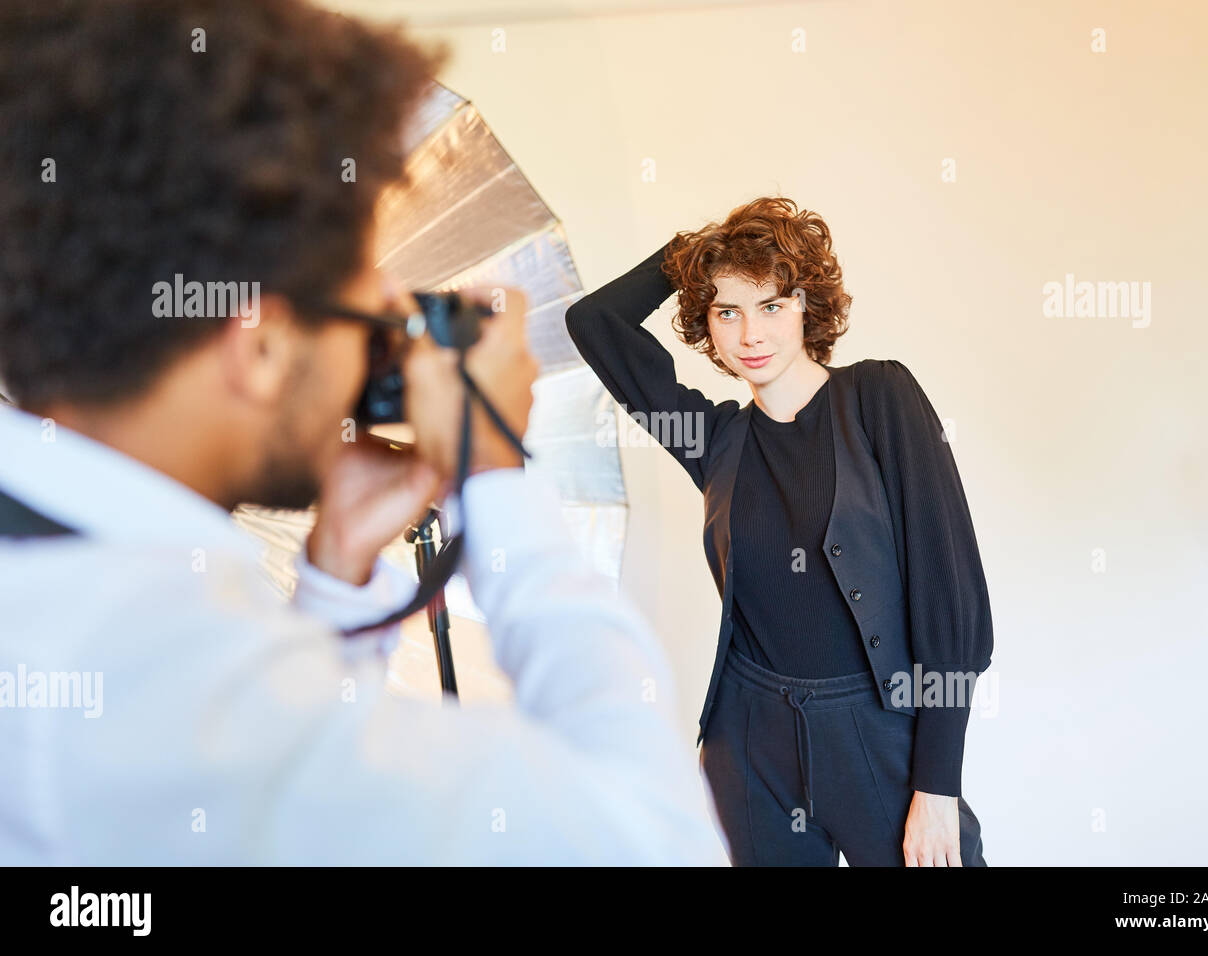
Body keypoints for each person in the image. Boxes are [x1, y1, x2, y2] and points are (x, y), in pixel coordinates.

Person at [0, 0, 721, 865]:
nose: (381, 336)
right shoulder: (160, 678)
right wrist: (494, 470)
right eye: (360, 303)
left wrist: (338, 580)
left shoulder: (85, 605)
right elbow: (654, 841)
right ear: (260, 346)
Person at [565, 197, 994, 866]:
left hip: (877, 733)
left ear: (806, 307)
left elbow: (953, 598)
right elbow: (592, 322)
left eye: (771, 305)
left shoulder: (880, 399)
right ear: (707, 325)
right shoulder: (715, 441)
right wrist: (690, 252)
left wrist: (937, 785)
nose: (750, 334)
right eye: (726, 311)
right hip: (750, 740)